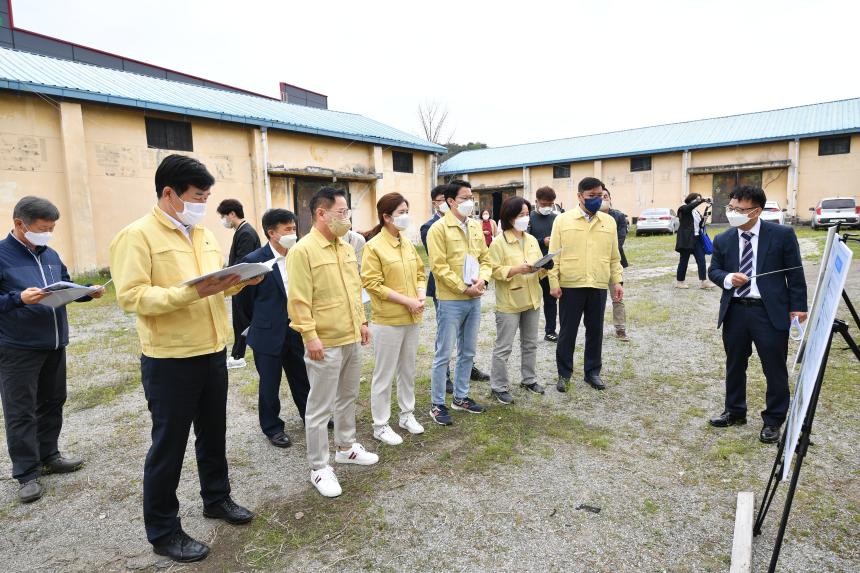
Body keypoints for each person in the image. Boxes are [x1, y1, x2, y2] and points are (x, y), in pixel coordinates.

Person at [110, 154, 260, 563]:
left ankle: (217, 498)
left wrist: (239, 281)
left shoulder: (204, 234)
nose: (203, 203)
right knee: (169, 445)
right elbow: (132, 297)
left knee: (213, 434)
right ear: (169, 193)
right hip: (170, 359)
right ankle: (163, 530)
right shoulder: (137, 236)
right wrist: (190, 292)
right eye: (198, 196)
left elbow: (214, 286)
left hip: (212, 351)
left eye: (208, 196)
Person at [0, 196, 104, 504]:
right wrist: (19, 298)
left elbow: (65, 286)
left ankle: (50, 456)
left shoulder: (51, 254)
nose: (48, 233)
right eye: (43, 228)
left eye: (52, 228)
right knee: (21, 409)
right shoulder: (2, 256)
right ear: (20, 224)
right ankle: (27, 473)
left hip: (55, 342)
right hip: (18, 347)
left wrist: (87, 294)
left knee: (53, 400)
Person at [287, 187, 377, 498]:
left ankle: (346, 447)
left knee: (348, 396)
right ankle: (319, 466)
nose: (346, 218)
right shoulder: (303, 251)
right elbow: (298, 300)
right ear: (321, 214)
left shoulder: (344, 247)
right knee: (319, 407)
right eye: (341, 213)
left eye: (347, 213)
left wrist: (363, 322)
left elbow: (355, 290)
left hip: (351, 335)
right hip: (324, 341)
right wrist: (309, 336)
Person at [707, 185, 807, 444]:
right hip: (736, 311)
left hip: (768, 312)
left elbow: (795, 274)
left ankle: (773, 420)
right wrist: (728, 278)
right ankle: (735, 411)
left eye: (739, 210)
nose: (733, 213)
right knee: (735, 364)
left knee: (773, 368)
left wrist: (798, 307)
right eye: (731, 208)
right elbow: (714, 271)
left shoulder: (782, 235)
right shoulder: (723, 239)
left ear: (756, 211)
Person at [240, 209, 310, 448]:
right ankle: (272, 427)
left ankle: (309, 416)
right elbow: (244, 300)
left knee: (302, 377)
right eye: (287, 229)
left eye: (293, 228)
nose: (292, 233)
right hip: (267, 331)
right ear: (272, 233)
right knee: (269, 384)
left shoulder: (298, 254)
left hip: (296, 328)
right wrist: (260, 323)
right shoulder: (254, 260)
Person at [361, 193, 426, 445]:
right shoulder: (373, 246)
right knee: (384, 374)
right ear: (386, 217)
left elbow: (420, 272)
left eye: (407, 210)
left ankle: (406, 415)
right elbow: (372, 284)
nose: (405, 216)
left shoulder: (407, 243)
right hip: (387, 320)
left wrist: (419, 295)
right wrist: (406, 300)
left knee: (408, 369)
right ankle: (381, 424)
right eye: (400, 212)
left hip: (412, 317)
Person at [549, 177, 623, 393]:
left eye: (600, 196)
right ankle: (564, 374)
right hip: (571, 285)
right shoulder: (562, 221)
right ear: (579, 196)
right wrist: (554, 282)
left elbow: (614, 257)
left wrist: (616, 281)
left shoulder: (608, 222)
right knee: (567, 332)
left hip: (598, 284)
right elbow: (553, 255)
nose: (596, 200)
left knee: (595, 331)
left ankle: (592, 372)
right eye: (591, 196)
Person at [426, 180, 492, 425]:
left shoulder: (475, 227)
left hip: (474, 297)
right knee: (444, 352)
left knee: (468, 351)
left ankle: (461, 397)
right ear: (450, 201)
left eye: (471, 197)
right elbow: (439, 267)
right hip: (451, 299)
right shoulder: (439, 229)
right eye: (464, 198)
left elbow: (485, 258)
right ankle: (437, 403)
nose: (470, 202)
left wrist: (482, 281)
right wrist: (464, 288)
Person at [488, 196, 548, 404]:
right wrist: (516, 269)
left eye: (527, 214)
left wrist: (544, 268)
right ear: (510, 217)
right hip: (509, 302)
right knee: (504, 347)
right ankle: (499, 386)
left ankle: (529, 379)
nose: (525, 218)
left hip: (532, 298)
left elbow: (539, 266)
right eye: (520, 215)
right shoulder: (499, 243)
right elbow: (493, 270)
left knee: (530, 343)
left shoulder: (531, 240)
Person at [217, 199, 261, 369]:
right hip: (241, 283)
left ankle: (237, 356)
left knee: (242, 321)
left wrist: (229, 277)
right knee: (244, 320)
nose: (223, 220)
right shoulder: (242, 231)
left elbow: (243, 263)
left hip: (243, 284)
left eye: (223, 216)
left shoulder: (246, 233)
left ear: (232, 214)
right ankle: (239, 354)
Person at [528, 186, 560, 342]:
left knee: (550, 299)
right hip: (532, 266)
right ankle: (528, 334)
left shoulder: (556, 218)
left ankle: (550, 331)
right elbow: (525, 240)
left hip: (550, 266)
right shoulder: (528, 218)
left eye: (550, 204)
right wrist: (542, 241)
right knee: (530, 301)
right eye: (544, 203)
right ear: (536, 202)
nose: (547, 207)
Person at [600, 187, 631, 342]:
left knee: (617, 297)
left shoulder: (618, 216)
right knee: (596, 299)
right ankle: (595, 328)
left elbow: (620, 240)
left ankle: (620, 329)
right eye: (600, 196)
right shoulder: (592, 217)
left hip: (614, 263)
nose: (603, 199)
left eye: (606, 196)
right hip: (595, 265)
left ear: (610, 198)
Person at [675, 193, 712, 290]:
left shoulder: (696, 212)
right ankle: (680, 282)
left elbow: (699, 225)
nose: (698, 201)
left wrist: (704, 219)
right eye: (697, 199)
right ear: (691, 200)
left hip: (697, 239)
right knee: (684, 261)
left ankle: (703, 282)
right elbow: (690, 207)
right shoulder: (683, 209)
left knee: (701, 260)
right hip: (686, 239)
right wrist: (702, 200)